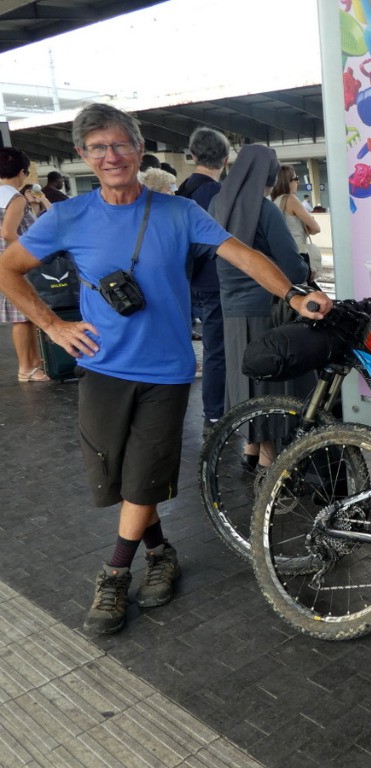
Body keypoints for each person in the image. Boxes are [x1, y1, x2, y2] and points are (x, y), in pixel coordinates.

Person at [0, 104, 331, 635]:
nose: (111, 156)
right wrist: (53, 327)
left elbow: (241, 254)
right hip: (102, 366)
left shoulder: (177, 212)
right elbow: (9, 268)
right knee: (118, 475)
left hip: (167, 370)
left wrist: (294, 294)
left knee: (145, 472)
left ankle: (114, 572)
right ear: (85, 155)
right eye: (98, 148)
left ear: (138, 148)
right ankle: (161, 554)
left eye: (120, 145)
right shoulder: (69, 216)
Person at [211, 144, 315, 471]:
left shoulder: (217, 203)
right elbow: (292, 267)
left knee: (245, 381)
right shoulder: (264, 209)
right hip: (266, 310)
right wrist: (305, 269)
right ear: (268, 175)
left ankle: (251, 449)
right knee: (269, 384)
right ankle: (271, 470)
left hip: (230, 309)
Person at [177, 127, 230, 433]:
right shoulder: (217, 193)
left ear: (193, 155)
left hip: (189, 280)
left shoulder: (183, 190)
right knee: (218, 348)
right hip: (213, 281)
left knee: (206, 346)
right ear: (224, 159)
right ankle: (215, 411)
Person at [1, 148, 50, 382]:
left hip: (5, 261)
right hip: (14, 262)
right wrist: (31, 252)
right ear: (21, 172)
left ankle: (34, 364)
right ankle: (26, 368)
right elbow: (8, 232)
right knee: (22, 315)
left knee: (25, 314)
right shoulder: (14, 197)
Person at [270, 165, 322, 276]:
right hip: (299, 255)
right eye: (296, 179)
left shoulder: (274, 201)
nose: (298, 182)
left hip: (282, 256)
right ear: (287, 182)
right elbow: (316, 228)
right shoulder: (291, 199)